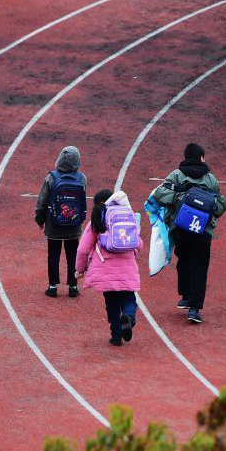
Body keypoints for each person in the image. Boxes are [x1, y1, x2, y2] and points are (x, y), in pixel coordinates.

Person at [151, 143, 226, 323]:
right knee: (200, 267)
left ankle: (185, 296)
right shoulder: (211, 179)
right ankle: (195, 309)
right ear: (201, 157)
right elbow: (221, 205)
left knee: (184, 260)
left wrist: (178, 200)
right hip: (203, 231)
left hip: (181, 228)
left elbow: (159, 193)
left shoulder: (177, 175)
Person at [76, 190, 142, 346]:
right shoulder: (128, 216)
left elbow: (83, 249)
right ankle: (129, 317)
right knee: (129, 299)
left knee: (111, 303)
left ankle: (116, 336)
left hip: (105, 269)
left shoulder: (97, 220)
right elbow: (139, 244)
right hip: (127, 268)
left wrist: (80, 269)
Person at [34, 145, 87, 297]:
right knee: (72, 255)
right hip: (74, 224)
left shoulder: (51, 177)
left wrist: (40, 219)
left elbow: (42, 201)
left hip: (53, 224)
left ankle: (52, 287)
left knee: (53, 255)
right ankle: (73, 286)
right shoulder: (82, 178)